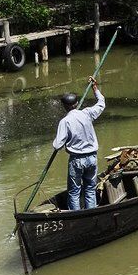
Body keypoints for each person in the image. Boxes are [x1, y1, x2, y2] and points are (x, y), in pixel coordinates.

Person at [53, 79, 106, 210]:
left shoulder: (65, 121)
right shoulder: (87, 113)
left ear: (64, 106)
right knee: (90, 188)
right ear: (77, 104)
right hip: (92, 158)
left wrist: (65, 139)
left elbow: (57, 145)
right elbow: (101, 103)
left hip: (77, 160)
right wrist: (95, 89)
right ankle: (91, 213)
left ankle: (75, 215)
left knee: (74, 191)